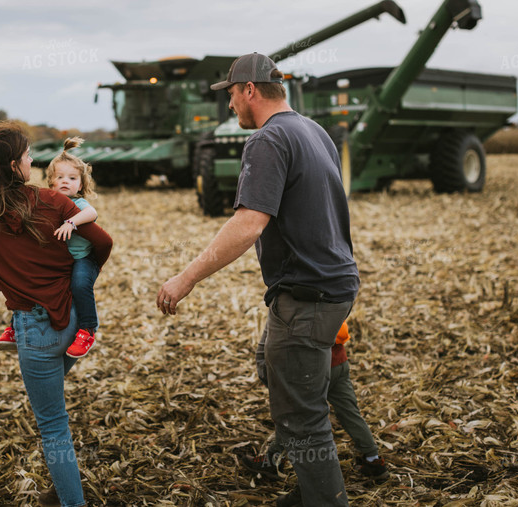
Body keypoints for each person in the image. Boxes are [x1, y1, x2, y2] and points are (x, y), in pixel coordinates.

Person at [157, 53, 359, 506]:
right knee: (273, 365)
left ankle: (325, 500)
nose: (229, 105)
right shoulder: (314, 130)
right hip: (333, 285)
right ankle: (311, 489)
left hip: (307, 295)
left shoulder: (267, 140)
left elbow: (249, 224)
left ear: (249, 90)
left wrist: (186, 278)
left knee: (302, 418)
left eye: (230, 94)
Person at [0, 122, 112, 507]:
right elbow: (103, 242)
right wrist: (75, 277)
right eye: (27, 155)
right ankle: (63, 489)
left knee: (53, 426)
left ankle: (71, 502)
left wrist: (13, 281)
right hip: (73, 320)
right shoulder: (53, 202)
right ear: (14, 165)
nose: (32, 160)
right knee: (53, 409)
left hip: (34, 332)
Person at [240, 321, 389, 493]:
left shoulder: (302, 299)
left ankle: (272, 460)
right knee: (350, 413)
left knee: (292, 412)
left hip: (315, 367)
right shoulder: (333, 295)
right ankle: (373, 460)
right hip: (339, 362)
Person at [0, 137, 101, 359]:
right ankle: (15, 327)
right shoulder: (47, 203)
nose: (65, 181)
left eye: (72, 178)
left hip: (83, 258)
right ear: (50, 182)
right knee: (30, 278)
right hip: (62, 259)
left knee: (80, 284)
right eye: (59, 177)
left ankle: (88, 329)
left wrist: (72, 222)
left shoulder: (78, 204)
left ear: (80, 185)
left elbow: (92, 214)